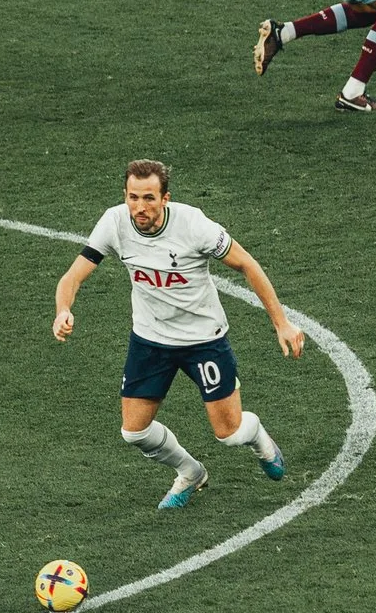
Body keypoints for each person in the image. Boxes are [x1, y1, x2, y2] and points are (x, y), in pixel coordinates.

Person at [53, 160, 303, 509]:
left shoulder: (193, 225)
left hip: (204, 340)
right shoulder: (114, 222)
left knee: (229, 434)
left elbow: (247, 264)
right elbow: (72, 276)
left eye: (149, 198)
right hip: (150, 339)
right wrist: (63, 309)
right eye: (133, 197)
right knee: (134, 432)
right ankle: (190, 472)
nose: (140, 207)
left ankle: (257, 435)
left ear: (165, 198)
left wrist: (281, 323)